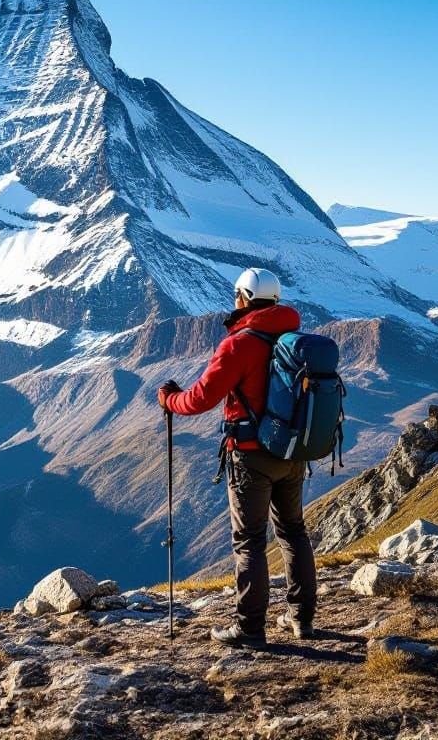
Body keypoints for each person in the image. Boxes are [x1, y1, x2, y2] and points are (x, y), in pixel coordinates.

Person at [157, 267, 317, 648]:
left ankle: (249, 628)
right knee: (293, 532)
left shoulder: (239, 343)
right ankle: (302, 618)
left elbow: (201, 399)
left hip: (250, 456)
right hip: (292, 452)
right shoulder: (294, 339)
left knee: (249, 542)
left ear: (243, 299)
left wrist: (168, 400)